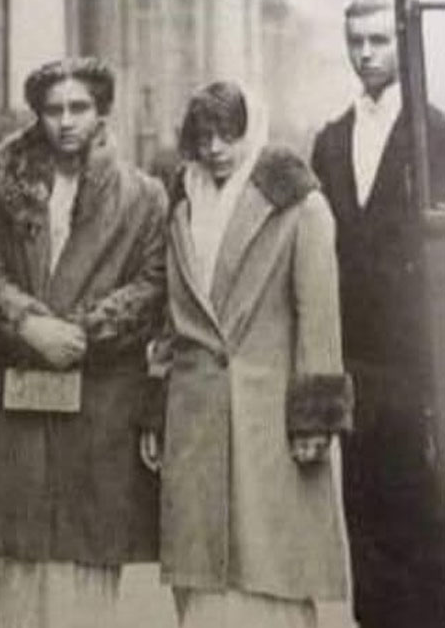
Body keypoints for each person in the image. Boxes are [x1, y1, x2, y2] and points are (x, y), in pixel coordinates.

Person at [143, 80, 352, 628]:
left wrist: (314, 417)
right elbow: (171, 315)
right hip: (194, 413)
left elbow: (319, 318)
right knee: (202, 574)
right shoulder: (183, 202)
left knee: (269, 568)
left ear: (251, 132)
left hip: (268, 418)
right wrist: (157, 410)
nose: (214, 149)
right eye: (203, 136)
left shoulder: (299, 204)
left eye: (227, 135)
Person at [0, 58, 166, 628]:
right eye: (52, 109)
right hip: (24, 390)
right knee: (24, 558)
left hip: (99, 395)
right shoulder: (7, 192)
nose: (65, 121)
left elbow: (153, 283)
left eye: (78, 107)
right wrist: (28, 324)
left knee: (88, 559)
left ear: (101, 111)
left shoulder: (142, 196)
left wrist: (84, 331)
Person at [310, 0, 445, 628]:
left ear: (402, 43)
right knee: (363, 512)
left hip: (423, 360)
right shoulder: (331, 140)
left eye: (378, 41)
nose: (365, 54)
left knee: (425, 511)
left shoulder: (436, 135)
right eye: (355, 42)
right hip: (357, 360)